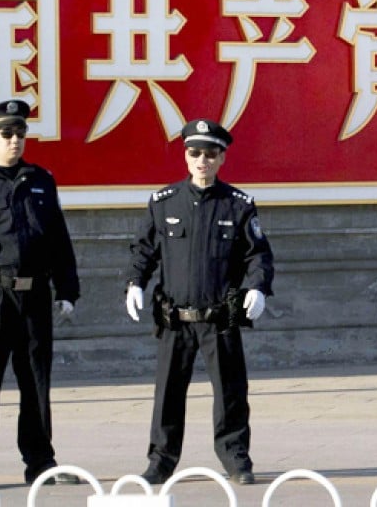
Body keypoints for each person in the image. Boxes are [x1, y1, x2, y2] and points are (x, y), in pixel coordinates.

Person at [125, 118, 274, 486]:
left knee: (231, 392)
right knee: (168, 394)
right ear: (185, 155)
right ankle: (161, 460)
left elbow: (258, 255)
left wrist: (257, 287)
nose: (202, 160)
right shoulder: (163, 202)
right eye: (195, 153)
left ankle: (236, 456)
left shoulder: (238, 205)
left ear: (222, 158)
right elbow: (143, 250)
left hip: (221, 314)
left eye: (210, 153)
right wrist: (134, 283)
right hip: (175, 315)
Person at [0, 99, 81, 490]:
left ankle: (40, 461)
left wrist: (67, 289)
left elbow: (58, 240)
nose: (15, 141)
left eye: (20, 133)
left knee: (36, 382)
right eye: (6, 134)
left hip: (35, 295)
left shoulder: (40, 180)